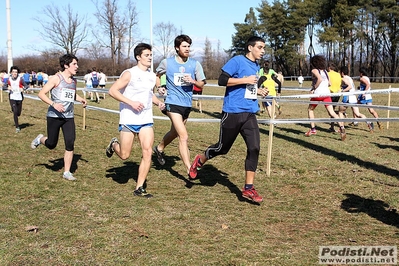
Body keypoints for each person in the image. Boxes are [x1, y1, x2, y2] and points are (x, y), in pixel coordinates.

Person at [189, 36, 269, 203]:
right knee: (221, 148)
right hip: (232, 112)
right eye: (260, 47)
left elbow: (248, 87)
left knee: (254, 148)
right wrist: (245, 80)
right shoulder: (237, 61)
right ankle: (200, 159)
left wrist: (258, 91)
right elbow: (222, 81)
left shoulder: (256, 65)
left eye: (264, 48)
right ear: (250, 48)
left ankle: (248, 188)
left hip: (249, 113)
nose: (263, 51)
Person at [105, 43, 165, 198]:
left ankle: (139, 187)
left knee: (147, 151)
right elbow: (112, 91)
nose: (150, 57)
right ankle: (114, 144)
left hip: (146, 119)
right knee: (125, 155)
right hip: (128, 119)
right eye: (146, 55)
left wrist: (158, 102)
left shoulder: (152, 76)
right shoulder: (129, 73)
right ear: (138, 57)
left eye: (151, 55)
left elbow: (147, 94)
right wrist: (131, 103)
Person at [152, 34, 206, 177]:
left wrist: (193, 82)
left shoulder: (195, 64)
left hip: (186, 104)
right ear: (177, 48)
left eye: (189, 46)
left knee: (175, 132)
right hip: (172, 103)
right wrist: (159, 87)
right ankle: (189, 169)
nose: (187, 49)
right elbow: (156, 76)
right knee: (183, 136)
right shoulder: (167, 63)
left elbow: (201, 83)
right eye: (184, 46)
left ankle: (159, 148)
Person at [30, 54, 87, 181]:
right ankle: (40, 139)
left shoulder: (74, 81)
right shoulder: (56, 79)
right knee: (51, 144)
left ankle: (67, 172)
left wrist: (81, 99)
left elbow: (71, 95)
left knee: (70, 142)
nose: (77, 67)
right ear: (66, 65)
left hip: (68, 116)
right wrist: (53, 104)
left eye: (77, 64)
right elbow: (41, 94)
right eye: (74, 64)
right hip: (54, 116)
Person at [305, 54, 346, 141]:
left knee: (310, 110)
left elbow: (319, 79)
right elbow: (329, 84)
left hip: (318, 94)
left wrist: (314, 88)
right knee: (332, 113)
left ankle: (313, 129)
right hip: (327, 94)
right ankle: (342, 127)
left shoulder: (314, 70)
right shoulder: (326, 72)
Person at [338, 66, 373, 132]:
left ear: (342, 73)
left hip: (347, 98)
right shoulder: (350, 78)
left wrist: (342, 91)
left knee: (340, 112)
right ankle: (369, 123)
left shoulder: (344, 78)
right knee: (357, 114)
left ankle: (342, 128)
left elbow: (349, 87)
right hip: (353, 97)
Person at [7, 66, 29, 133]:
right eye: (13, 72)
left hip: (19, 98)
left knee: (18, 113)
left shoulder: (20, 79)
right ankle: (17, 127)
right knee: (15, 112)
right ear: (11, 72)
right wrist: (8, 88)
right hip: (12, 97)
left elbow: (26, 86)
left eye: (16, 72)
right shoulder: (9, 79)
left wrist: (23, 88)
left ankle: (15, 111)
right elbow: (4, 86)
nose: (14, 73)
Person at [327, 62, 342, 132]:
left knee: (331, 112)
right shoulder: (338, 75)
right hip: (337, 94)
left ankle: (341, 126)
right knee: (332, 110)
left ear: (329, 68)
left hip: (331, 93)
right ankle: (332, 127)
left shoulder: (328, 74)